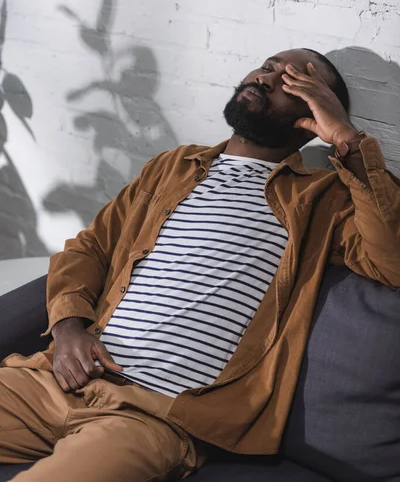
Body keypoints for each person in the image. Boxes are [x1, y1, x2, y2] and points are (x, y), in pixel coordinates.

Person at [1, 48, 399, 482]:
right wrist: (68, 328)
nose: (266, 79)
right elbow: (90, 248)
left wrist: (345, 137)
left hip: (152, 417)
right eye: (267, 67)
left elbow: (391, 260)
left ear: (314, 113)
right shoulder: (173, 166)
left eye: (293, 83)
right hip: (51, 384)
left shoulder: (324, 198)